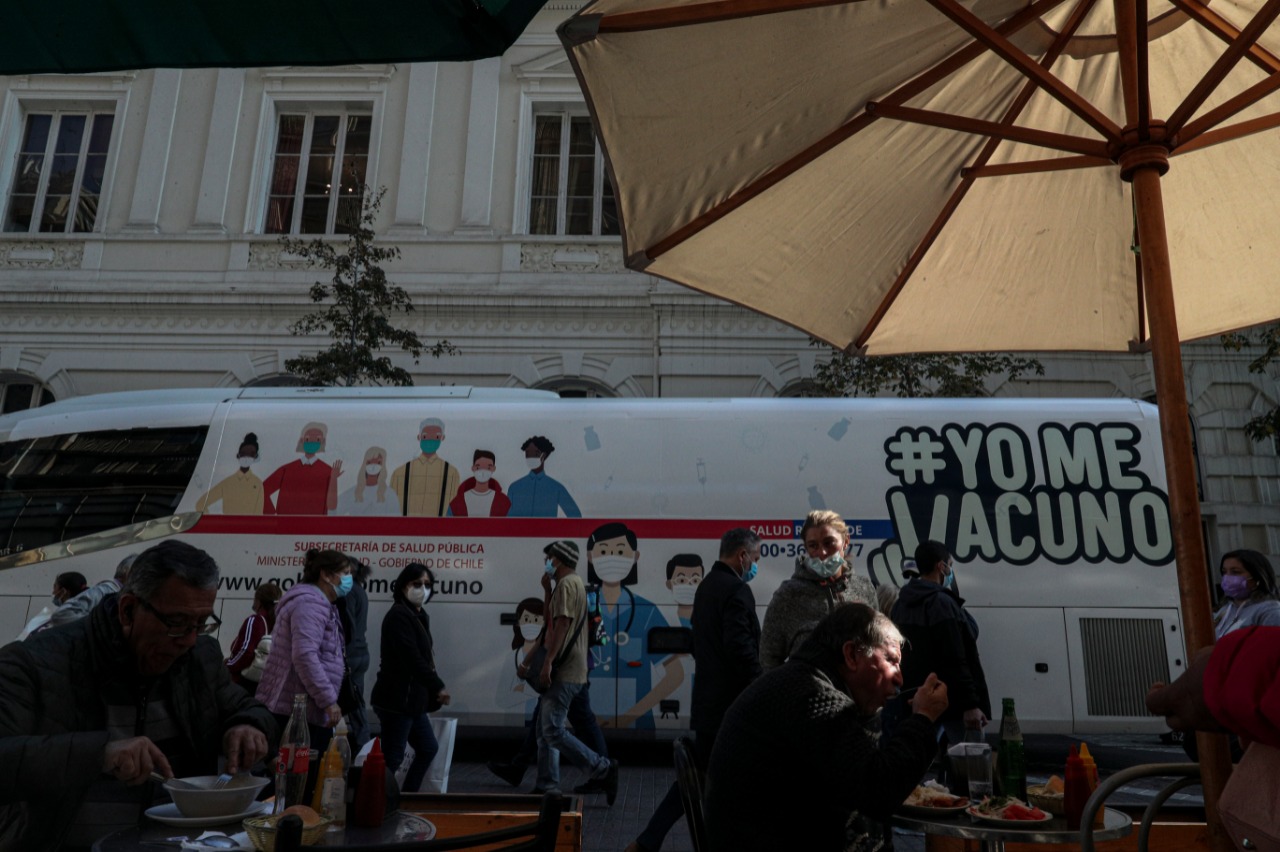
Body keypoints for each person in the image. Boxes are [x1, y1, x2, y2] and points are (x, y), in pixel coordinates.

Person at [0, 540, 276, 850]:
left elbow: (246, 707)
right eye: (177, 623)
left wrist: (248, 724)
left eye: (200, 624)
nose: (187, 639)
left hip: (181, 844)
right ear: (128, 610)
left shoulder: (199, 657)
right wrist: (98, 754)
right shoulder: (38, 662)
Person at [704, 603, 947, 852]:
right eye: (891, 660)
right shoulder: (812, 696)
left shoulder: (799, 682)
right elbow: (879, 789)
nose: (899, 678)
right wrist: (924, 717)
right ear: (851, 655)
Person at [627, 528, 763, 852]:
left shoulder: (705, 588)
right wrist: (762, 682)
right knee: (729, 780)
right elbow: (739, 647)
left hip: (708, 702)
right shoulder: (737, 590)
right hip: (732, 706)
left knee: (697, 777)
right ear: (742, 556)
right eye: (755, 558)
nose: (755, 565)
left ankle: (647, 842)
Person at [519, 540, 618, 802]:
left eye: (550, 557)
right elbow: (553, 619)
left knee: (552, 730)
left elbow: (561, 625)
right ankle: (548, 785)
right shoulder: (571, 584)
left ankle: (602, 768)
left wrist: (548, 661)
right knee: (544, 731)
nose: (547, 562)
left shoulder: (566, 584)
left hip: (565, 669)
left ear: (560, 559)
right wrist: (546, 590)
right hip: (572, 668)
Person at [890, 540, 990, 746]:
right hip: (953, 702)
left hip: (917, 700)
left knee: (915, 759)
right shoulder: (942, 603)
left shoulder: (900, 604)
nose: (951, 571)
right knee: (971, 762)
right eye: (950, 565)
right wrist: (970, 704)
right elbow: (956, 658)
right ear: (941, 567)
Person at [586, 522, 684, 729]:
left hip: (638, 724)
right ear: (590, 556)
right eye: (603, 551)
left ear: (635, 557)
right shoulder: (582, 605)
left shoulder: (647, 612)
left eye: (620, 551)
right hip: (585, 722)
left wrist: (628, 717)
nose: (612, 558)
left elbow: (675, 674)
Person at [256, 548, 351, 757]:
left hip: (300, 707)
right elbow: (305, 655)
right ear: (326, 575)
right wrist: (327, 700)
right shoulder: (310, 604)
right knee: (296, 778)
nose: (349, 579)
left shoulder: (315, 603)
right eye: (345, 573)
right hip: (300, 712)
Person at [760, 510, 877, 669]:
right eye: (813, 546)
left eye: (829, 543)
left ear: (846, 541)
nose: (821, 552)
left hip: (856, 692)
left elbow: (876, 643)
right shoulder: (789, 595)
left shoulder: (864, 587)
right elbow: (768, 659)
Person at [371, 563, 450, 792]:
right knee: (392, 758)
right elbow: (412, 658)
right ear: (404, 585)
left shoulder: (417, 615)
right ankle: (378, 801)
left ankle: (407, 797)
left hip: (411, 701)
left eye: (427, 585)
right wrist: (437, 686)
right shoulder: (399, 616)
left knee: (427, 748)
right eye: (417, 584)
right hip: (397, 699)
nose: (423, 589)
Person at [261, 422, 342, 515]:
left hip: (315, 526)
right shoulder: (287, 469)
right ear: (302, 440)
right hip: (287, 525)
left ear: (322, 442)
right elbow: (262, 490)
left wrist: (333, 479)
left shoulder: (328, 471)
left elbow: (331, 506)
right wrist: (271, 513)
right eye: (308, 439)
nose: (312, 442)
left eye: (317, 439)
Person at [390, 418, 460, 517]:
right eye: (425, 436)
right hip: (406, 529)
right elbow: (393, 504)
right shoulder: (400, 473)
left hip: (439, 529)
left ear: (442, 438)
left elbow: (452, 506)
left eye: (436, 437)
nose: (430, 440)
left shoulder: (451, 473)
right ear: (419, 437)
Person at [47, 553, 137, 629]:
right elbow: (61, 614)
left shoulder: (119, 593)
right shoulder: (105, 591)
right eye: (139, 572)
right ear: (127, 571)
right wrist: (98, 628)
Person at [339, 556, 372, 749]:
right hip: (361, 653)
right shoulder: (360, 590)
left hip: (349, 654)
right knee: (356, 702)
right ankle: (364, 745)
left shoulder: (348, 592)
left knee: (338, 701)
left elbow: (347, 625)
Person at [224, 581, 282, 689]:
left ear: (259, 601)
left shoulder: (255, 620)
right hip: (262, 685)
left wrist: (228, 666)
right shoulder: (278, 624)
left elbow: (245, 651)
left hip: (241, 683)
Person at [507, 436, 581, 517]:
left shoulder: (556, 488)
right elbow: (505, 519)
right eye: (528, 453)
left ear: (544, 455)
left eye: (536, 453)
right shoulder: (515, 487)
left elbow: (576, 516)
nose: (531, 457)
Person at [1213, 549, 1280, 638]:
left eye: (1235, 572)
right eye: (1224, 572)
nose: (1227, 577)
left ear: (1256, 577)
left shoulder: (1269, 611)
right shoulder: (1225, 609)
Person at [195, 433, 267, 514]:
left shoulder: (257, 483)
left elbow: (259, 515)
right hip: (228, 526)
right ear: (238, 455)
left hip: (249, 526)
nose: (247, 457)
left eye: (251, 454)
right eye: (243, 453)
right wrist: (211, 523)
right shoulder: (227, 483)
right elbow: (200, 504)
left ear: (255, 456)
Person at [18, 571, 89, 639]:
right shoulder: (85, 620)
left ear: (63, 592)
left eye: (55, 587)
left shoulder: (57, 619)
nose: (53, 592)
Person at [447, 449, 512, 516]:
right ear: (473, 468)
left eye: (488, 468)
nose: (483, 471)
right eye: (478, 467)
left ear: (493, 468)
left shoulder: (503, 502)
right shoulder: (457, 502)